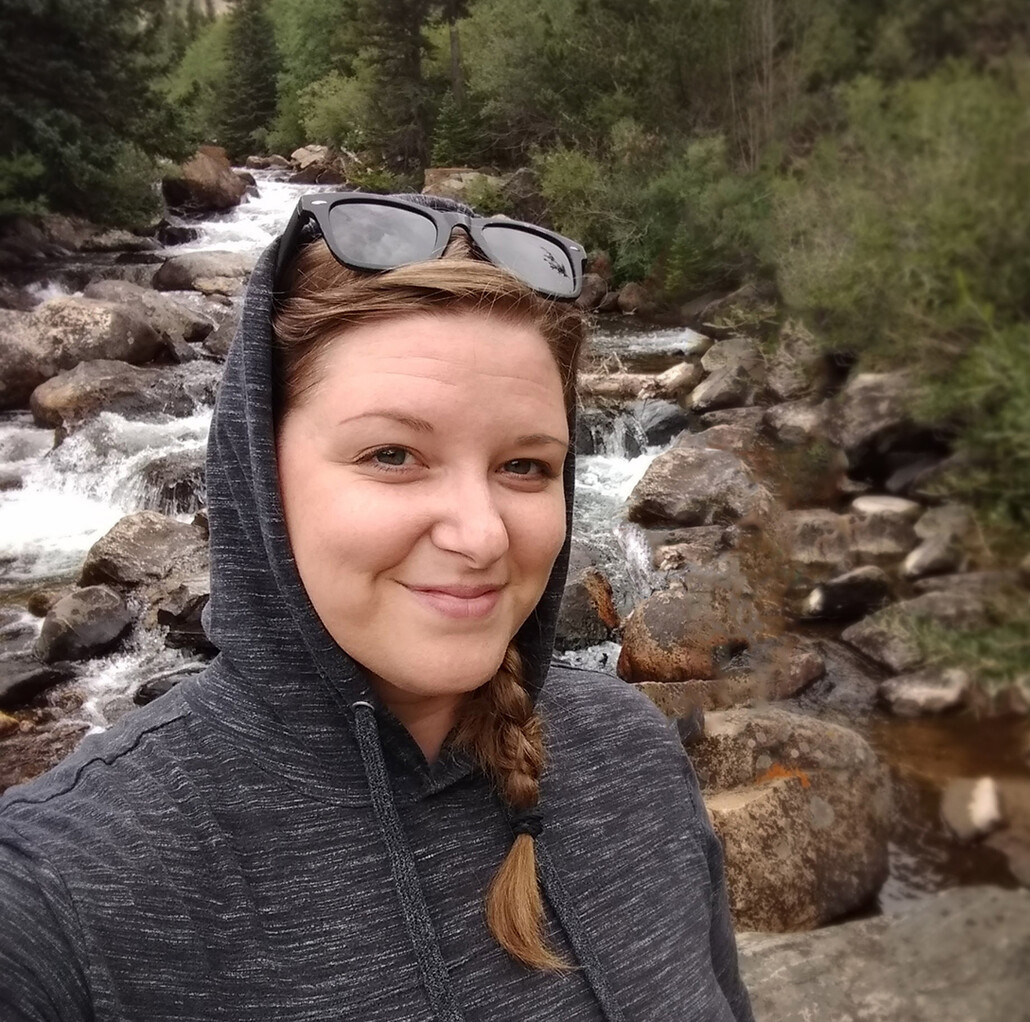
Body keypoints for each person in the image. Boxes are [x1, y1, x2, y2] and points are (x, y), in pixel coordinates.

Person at [0, 192, 754, 1022]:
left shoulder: (632, 758)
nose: (481, 536)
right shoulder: (61, 894)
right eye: (393, 454)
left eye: (525, 466)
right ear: (258, 473)